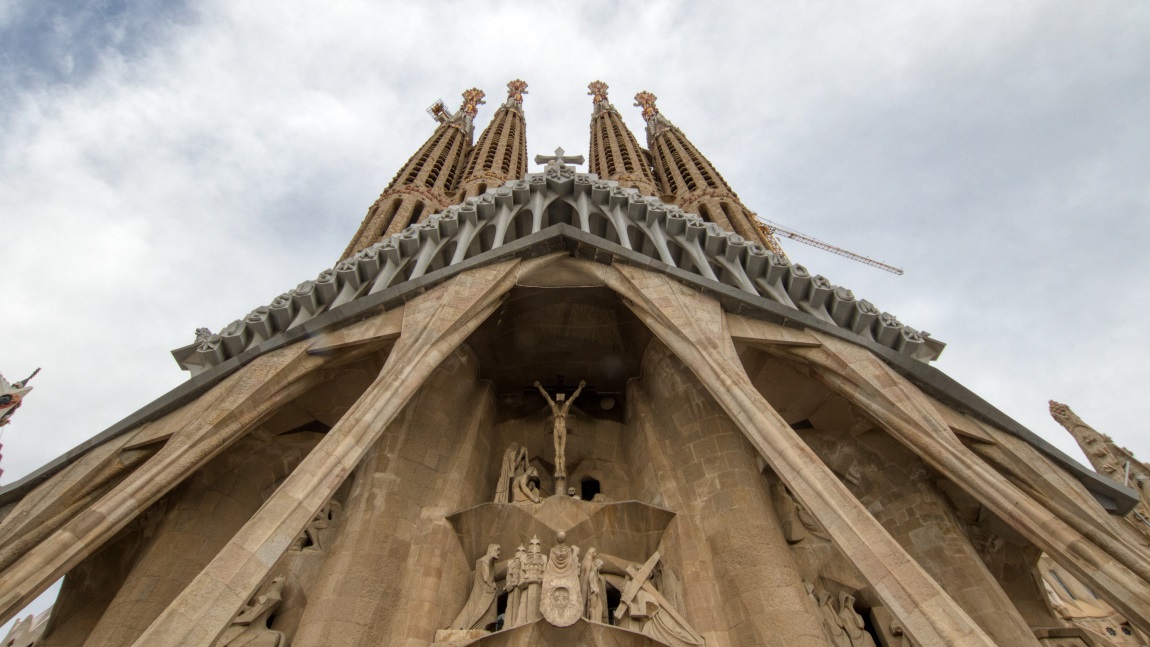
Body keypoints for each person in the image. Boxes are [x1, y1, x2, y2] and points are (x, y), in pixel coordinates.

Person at [534, 380, 586, 479]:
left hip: (563, 429)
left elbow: (574, 396)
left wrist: (580, 387)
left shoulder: (566, 406)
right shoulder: (553, 406)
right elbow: (546, 396)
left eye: (561, 399)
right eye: (559, 399)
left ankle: (562, 470)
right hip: (556, 429)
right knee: (557, 452)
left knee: (562, 452)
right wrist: (539, 386)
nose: (560, 401)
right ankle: (558, 470)